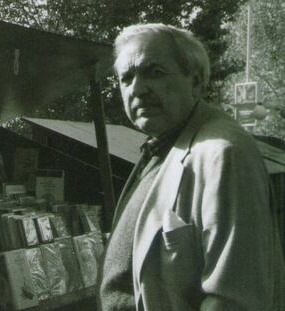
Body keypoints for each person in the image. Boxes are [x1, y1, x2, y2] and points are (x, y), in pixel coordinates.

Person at [98, 23, 285, 311]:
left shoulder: (223, 154)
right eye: (126, 78)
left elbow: (234, 301)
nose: (137, 88)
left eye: (155, 72)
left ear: (196, 82)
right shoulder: (163, 144)